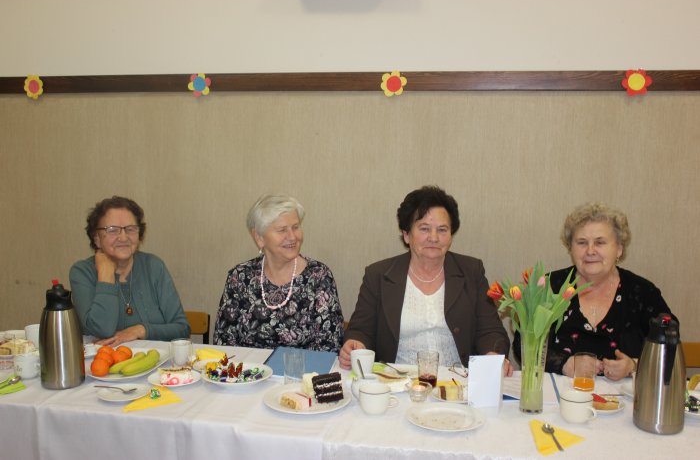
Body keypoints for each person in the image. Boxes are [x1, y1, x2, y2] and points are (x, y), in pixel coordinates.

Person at [339, 186, 512, 375]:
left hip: (458, 381)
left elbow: (491, 331)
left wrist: (492, 355)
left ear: (451, 236)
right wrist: (354, 343)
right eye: (424, 229)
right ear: (407, 235)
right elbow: (360, 330)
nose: (434, 238)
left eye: (442, 230)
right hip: (397, 382)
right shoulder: (379, 275)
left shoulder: (472, 271)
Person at [539, 202, 676, 381]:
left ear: (619, 249)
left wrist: (634, 365)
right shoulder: (551, 286)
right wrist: (565, 364)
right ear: (571, 248)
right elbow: (524, 344)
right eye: (582, 243)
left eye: (600, 242)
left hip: (624, 396)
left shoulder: (642, 293)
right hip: (560, 393)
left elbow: (669, 348)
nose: (590, 251)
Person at [214, 194, 344, 351]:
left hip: (302, 367)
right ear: (259, 238)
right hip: (247, 367)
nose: (292, 237)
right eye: (282, 230)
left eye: (295, 227)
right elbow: (224, 340)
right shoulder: (240, 277)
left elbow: (330, 345)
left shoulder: (319, 276)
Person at [69, 196, 190, 346]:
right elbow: (101, 330)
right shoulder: (82, 272)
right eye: (112, 230)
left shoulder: (154, 266)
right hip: (104, 359)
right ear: (97, 238)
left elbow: (182, 329)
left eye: (130, 229)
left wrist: (140, 330)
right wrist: (106, 277)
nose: (123, 237)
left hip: (156, 359)